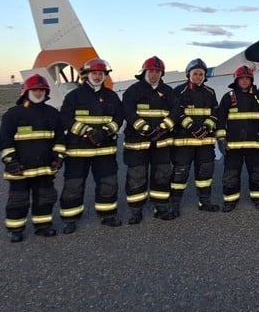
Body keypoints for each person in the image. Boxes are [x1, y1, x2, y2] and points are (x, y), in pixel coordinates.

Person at [0, 74, 65, 242]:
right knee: (18, 200)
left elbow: (60, 139)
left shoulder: (52, 113)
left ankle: (43, 226)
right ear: (26, 91)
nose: (39, 93)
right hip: (21, 168)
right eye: (35, 89)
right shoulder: (13, 114)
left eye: (42, 90)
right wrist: (10, 161)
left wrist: (58, 156)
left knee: (45, 198)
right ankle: (15, 229)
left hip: (45, 168)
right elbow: (4, 141)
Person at [59, 58, 124, 234]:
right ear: (87, 75)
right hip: (78, 150)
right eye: (94, 73)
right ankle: (70, 219)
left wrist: (105, 132)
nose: (97, 76)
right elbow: (65, 118)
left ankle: (107, 215)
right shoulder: (74, 96)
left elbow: (119, 118)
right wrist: (87, 132)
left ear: (104, 76)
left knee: (108, 183)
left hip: (105, 150)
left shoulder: (111, 96)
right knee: (74, 185)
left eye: (100, 73)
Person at [122, 56, 177, 224]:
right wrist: (145, 129)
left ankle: (161, 208)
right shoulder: (133, 91)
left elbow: (176, 111)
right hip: (137, 143)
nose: (154, 75)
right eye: (151, 71)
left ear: (161, 74)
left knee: (162, 175)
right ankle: (136, 211)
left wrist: (162, 128)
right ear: (145, 72)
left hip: (161, 142)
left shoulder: (168, 91)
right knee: (137, 176)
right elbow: (128, 112)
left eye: (157, 72)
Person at [215, 65, 259, 212]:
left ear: (251, 80)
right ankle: (230, 201)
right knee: (231, 174)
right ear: (237, 80)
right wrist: (221, 139)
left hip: (255, 145)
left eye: (248, 78)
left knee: (258, 173)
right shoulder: (228, 97)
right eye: (242, 79)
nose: (245, 81)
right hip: (233, 146)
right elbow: (220, 120)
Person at [170, 58, 220, 217]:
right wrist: (192, 127)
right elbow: (176, 113)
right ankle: (175, 204)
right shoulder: (179, 91)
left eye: (201, 74)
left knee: (205, 173)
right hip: (184, 141)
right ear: (188, 74)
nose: (198, 76)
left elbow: (215, 113)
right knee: (180, 173)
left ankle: (204, 202)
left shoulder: (210, 92)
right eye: (195, 73)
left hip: (205, 140)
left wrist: (206, 126)